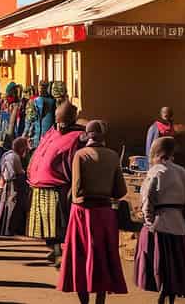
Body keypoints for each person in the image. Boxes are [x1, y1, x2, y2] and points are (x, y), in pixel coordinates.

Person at [58, 120, 127, 303]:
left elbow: (77, 189)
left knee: (81, 257)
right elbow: (121, 191)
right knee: (102, 258)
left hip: (82, 212)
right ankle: (100, 301)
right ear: (103, 136)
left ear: (87, 136)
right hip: (104, 213)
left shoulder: (80, 155)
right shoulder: (113, 156)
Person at [134, 136, 185, 303]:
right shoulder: (183, 172)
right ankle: (170, 297)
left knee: (161, 266)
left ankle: (162, 293)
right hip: (179, 226)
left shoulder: (156, 171)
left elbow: (147, 200)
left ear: (156, 154)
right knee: (176, 266)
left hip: (160, 225)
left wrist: (148, 223)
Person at [27, 101, 85, 266]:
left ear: (72, 120)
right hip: (41, 185)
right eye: (58, 120)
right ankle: (55, 250)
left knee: (60, 224)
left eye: (63, 121)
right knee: (47, 224)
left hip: (59, 186)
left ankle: (63, 255)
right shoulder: (52, 132)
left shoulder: (77, 137)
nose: (60, 125)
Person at [0, 137, 31, 237]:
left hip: (10, 184)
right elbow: (12, 174)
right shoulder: (13, 157)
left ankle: (6, 229)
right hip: (13, 185)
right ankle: (9, 230)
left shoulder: (7, 155)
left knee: (7, 207)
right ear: (21, 148)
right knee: (12, 207)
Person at [25, 82, 56, 148]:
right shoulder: (54, 103)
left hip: (35, 139)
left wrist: (25, 135)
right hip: (49, 139)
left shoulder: (32, 102)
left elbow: (29, 122)